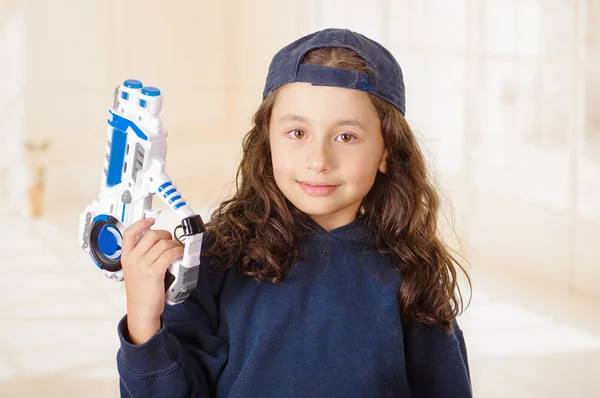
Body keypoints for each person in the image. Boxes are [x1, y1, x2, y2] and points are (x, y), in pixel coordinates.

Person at [116, 28, 473, 397]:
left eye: (346, 137)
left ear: (387, 151)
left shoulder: (411, 274)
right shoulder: (214, 260)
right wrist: (143, 319)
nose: (318, 161)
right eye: (298, 133)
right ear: (267, 140)